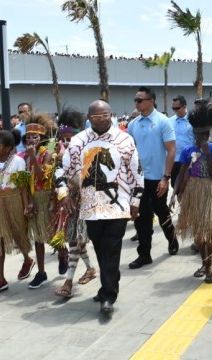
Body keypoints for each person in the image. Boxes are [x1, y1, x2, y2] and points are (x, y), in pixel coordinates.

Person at [59, 100, 143, 315]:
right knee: (100, 249)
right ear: (89, 118)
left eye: (105, 115)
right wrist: (64, 194)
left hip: (118, 206)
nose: (101, 119)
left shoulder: (124, 139)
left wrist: (136, 201)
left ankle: (107, 297)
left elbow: (136, 171)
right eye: (96, 116)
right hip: (89, 207)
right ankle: (109, 284)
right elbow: (64, 171)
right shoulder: (78, 142)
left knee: (112, 249)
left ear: (111, 115)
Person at [170, 100, 212, 284]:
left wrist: (207, 154)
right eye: (200, 134)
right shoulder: (187, 150)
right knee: (200, 234)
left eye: (206, 134)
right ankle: (205, 264)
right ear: (193, 132)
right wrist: (173, 194)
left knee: (210, 232)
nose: (203, 137)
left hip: (210, 192)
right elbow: (181, 174)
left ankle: (209, 268)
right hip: (194, 192)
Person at [127, 86, 178, 269]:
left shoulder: (163, 121)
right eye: (136, 100)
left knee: (161, 210)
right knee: (142, 217)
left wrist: (166, 177)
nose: (137, 103)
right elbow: (129, 150)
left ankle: (171, 237)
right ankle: (144, 254)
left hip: (158, 178)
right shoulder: (134, 124)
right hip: (139, 179)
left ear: (150, 101)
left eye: (140, 100)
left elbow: (171, 150)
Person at [0, 130, 35, 295]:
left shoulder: (18, 162)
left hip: (14, 201)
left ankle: (27, 260)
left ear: (9, 148)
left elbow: (23, 186)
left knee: (17, 232)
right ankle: (1, 279)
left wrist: (27, 205)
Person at [53, 108, 97, 298]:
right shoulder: (61, 154)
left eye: (69, 138)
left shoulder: (91, 148)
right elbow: (59, 176)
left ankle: (69, 281)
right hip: (70, 201)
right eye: (63, 139)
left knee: (77, 238)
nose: (65, 142)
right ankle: (89, 270)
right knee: (75, 238)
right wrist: (64, 196)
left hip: (89, 200)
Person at [22, 119, 55, 289]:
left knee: (52, 234)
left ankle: (63, 253)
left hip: (46, 197)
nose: (30, 140)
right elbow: (25, 181)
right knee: (38, 236)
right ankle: (41, 273)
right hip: (33, 200)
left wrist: (34, 156)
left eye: (34, 137)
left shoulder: (46, 154)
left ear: (41, 138)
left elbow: (42, 177)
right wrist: (28, 203)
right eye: (28, 136)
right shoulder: (25, 156)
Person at [169, 95, 193, 188]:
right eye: (173, 108)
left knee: (187, 185)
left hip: (188, 159)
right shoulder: (170, 121)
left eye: (177, 108)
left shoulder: (192, 120)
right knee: (174, 185)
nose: (175, 110)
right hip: (174, 159)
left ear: (184, 106)